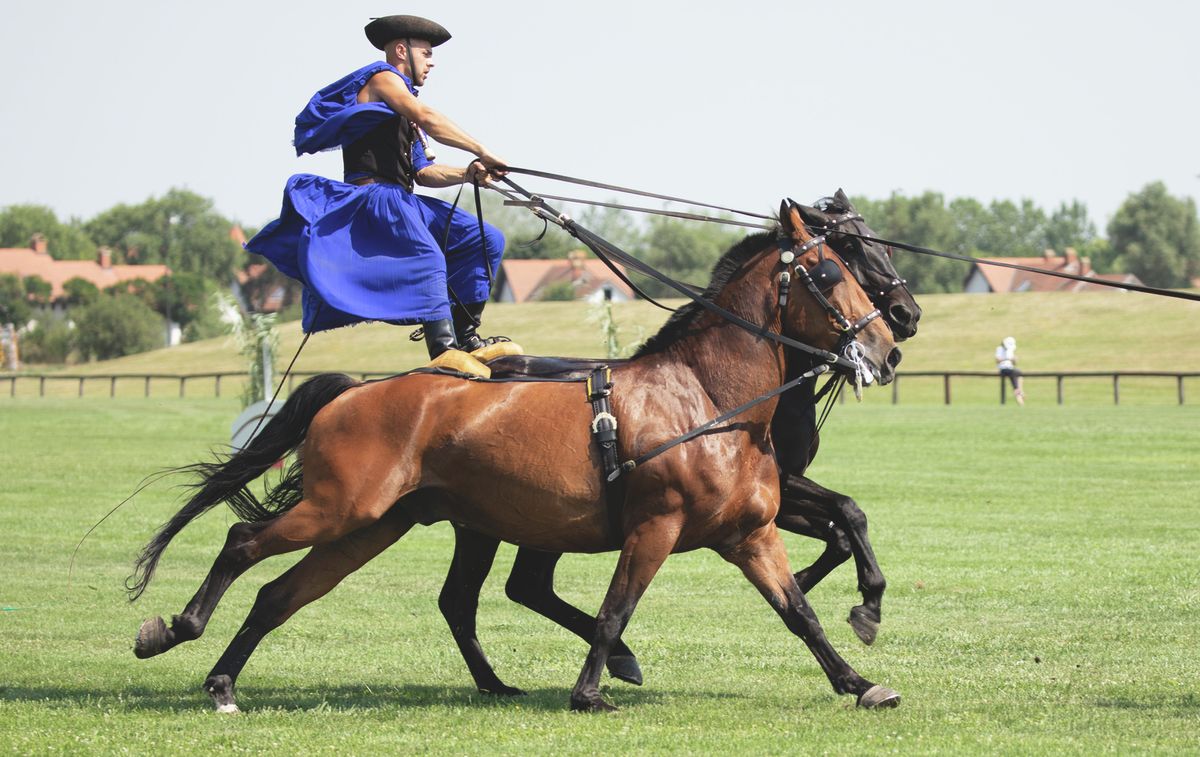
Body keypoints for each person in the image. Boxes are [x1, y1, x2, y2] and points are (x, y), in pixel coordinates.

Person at [246, 15, 520, 378]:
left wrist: (470, 173)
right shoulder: (382, 78)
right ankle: (442, 347)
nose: (432, 61)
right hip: (374, 199)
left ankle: (466, 337)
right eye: (426, 53)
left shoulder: (406, 111)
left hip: (405, 200)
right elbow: (428, 115)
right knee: (427, 257)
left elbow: (423, 173)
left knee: (484, 238)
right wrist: (481, 148)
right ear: (402, 50)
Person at [995, 336, 1025, 405]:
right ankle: (1020, 397)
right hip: (1004, 369)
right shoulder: (999, 349)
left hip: (1011, 369)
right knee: (1016, 381)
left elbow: (1014, 363)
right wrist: (1007, 359)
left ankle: (1020, 391)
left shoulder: (1010, 349)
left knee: (1019, 374)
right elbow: (997, 360)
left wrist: (1014, 359)